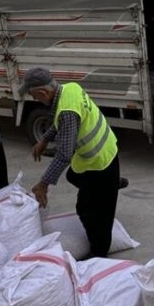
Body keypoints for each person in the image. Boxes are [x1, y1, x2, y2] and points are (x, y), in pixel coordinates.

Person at [24, 67, 121, 258]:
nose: (37, 101)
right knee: (72, 175)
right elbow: (61, 123)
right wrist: (44, 139)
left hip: (99, 163)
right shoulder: (70, 89)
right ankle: (111, 185)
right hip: (104, 150)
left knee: (88, 210)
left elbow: (64, 154)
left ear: (43, 92)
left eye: (36, 97)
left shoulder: (66, 112)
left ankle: (99, 252)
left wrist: (43, 184)